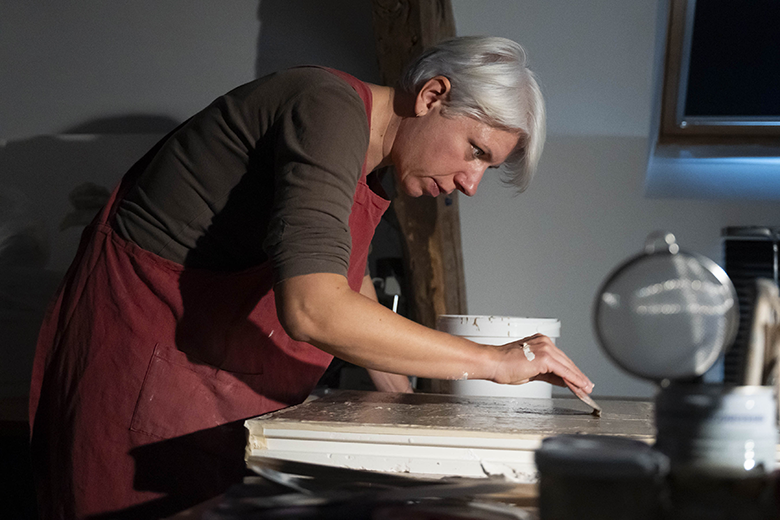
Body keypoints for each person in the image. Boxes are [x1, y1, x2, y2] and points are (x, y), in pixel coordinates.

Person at [28, 36, 594, 519]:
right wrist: (495, 361)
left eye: (486, 169)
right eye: (475, 151)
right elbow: (314, 307)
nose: (471, 183)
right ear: (432, 95)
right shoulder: (324, 108)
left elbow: (345, 280)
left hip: (203, 375)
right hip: (142, 361)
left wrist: (409, 399)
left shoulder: (371, 156)